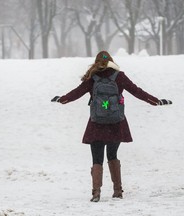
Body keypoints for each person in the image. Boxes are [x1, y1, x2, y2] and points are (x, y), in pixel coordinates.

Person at [51, 51, 172, 202]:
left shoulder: (92, 78)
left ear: (96, 62)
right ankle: (117, 191)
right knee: (112, 155)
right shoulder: (119, 76)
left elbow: (77, 93)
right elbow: (137, 91)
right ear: (111, 61)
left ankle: (96, 192)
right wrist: (156, 101)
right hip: (116, 123)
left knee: (97, 159)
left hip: (97, 124)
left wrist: (62, 99)